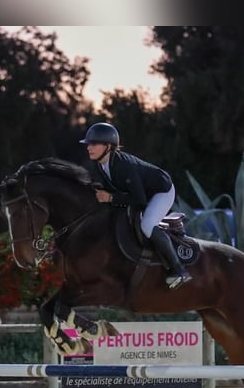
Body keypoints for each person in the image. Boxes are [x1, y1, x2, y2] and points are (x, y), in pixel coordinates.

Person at [80, 122, 192, 289]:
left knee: (147, 225)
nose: (89, 147)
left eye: (94, 144)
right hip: (143, 193)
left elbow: (139, 200)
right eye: (88, 144)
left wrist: (110, 197)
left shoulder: (123, 166)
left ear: (108, 146)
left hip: (161, 191)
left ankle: (178, 269)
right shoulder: (100, 164)